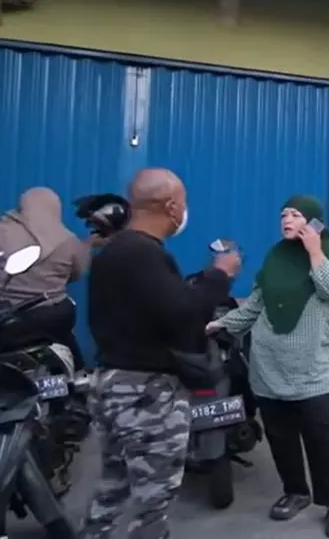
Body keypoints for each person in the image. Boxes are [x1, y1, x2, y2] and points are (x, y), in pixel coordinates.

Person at [80, 168, 240, 539]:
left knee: (115, 486)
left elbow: (158, 307)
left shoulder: (119, 251)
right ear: (171, 206)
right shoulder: (141, 253)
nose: (185, 210)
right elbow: (182, 317)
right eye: (183, 202)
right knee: (152, 501)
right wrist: (220, 276)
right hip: (145, 393)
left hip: (114, 385)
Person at [207, 195, 329, 537]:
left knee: (321, 435)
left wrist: (315, 250)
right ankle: (295, 492)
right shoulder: (275, 257)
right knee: (280, 436)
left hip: (315, 367)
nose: (286, 219)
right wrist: (219, 325)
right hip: (270, 366)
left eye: (296, 214)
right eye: (283, 214)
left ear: (315, 221)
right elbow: (255, 305)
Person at [0, 187, 95, 367]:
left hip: (8, 318)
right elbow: (77, 272)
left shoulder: (3, 231)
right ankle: (77, 372)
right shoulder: (68, 240)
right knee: (68, 341)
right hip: (53, 316)